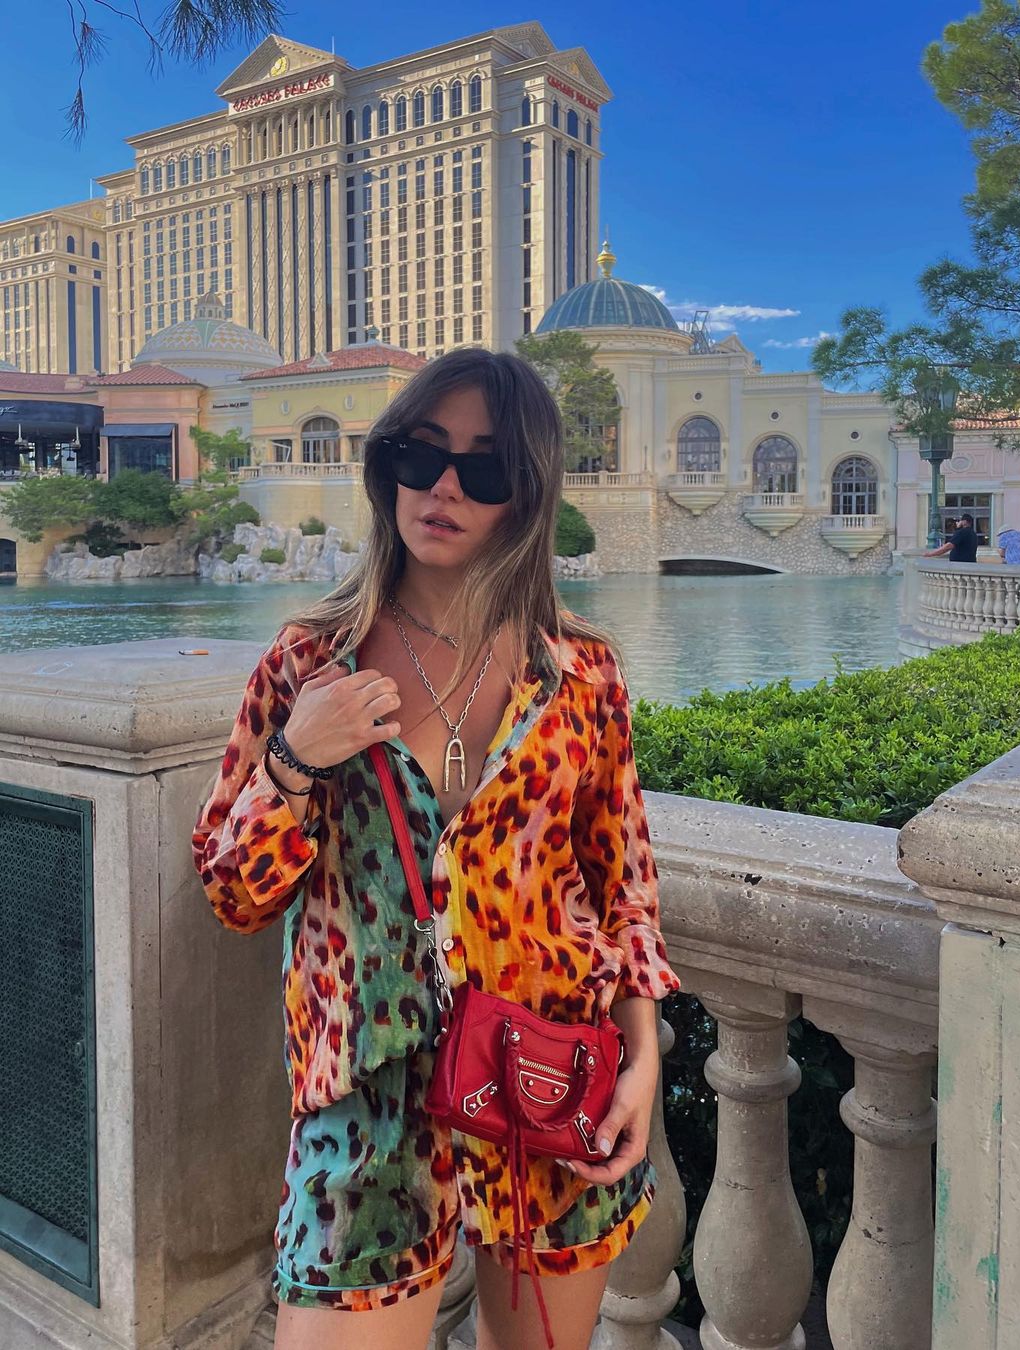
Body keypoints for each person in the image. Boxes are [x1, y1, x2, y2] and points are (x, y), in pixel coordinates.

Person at [191, 348, 679, 1350]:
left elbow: (622, 882)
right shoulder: (308, 664)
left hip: (547, 1076)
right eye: (423, 453)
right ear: (389, 468)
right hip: (367, 1103)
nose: (445, 485)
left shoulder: (581, 675)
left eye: (484, 466)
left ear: (524, 496)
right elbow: (233, 893)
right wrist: (296, 759)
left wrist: (641, 1062)